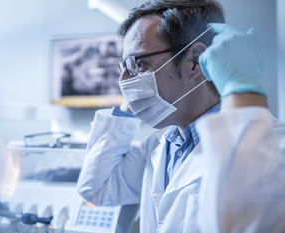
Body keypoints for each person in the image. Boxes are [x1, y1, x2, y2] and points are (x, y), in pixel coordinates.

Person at [77, 0, 285, 232]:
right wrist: (133, 96)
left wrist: (242, 89)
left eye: (139, 63)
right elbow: (96, 188)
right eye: (124, 67)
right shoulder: (158, 145)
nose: (123, 80)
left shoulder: (275, 147)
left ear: (194, 62)